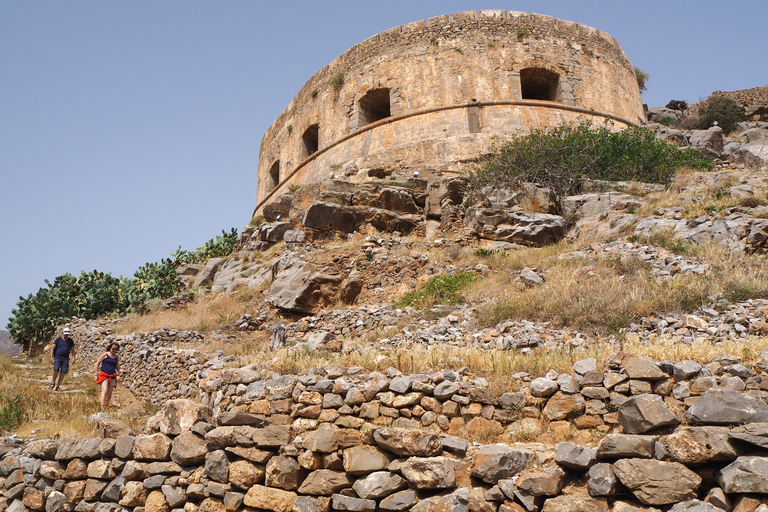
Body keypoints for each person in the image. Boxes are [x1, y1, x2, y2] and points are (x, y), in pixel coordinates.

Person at [94, 342, 125, 409]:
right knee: (104, 391)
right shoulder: (105, 355)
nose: (114, 350)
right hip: (104, 375)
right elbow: (97, 363)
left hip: (112, 376)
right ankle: (102, 407)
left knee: (110, 394)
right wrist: (96, 374)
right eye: (113, 348)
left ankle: (106, 406)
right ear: (110, 348)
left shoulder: (116, 357)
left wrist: (122, 371)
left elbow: (118, 367)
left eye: (116, 349)